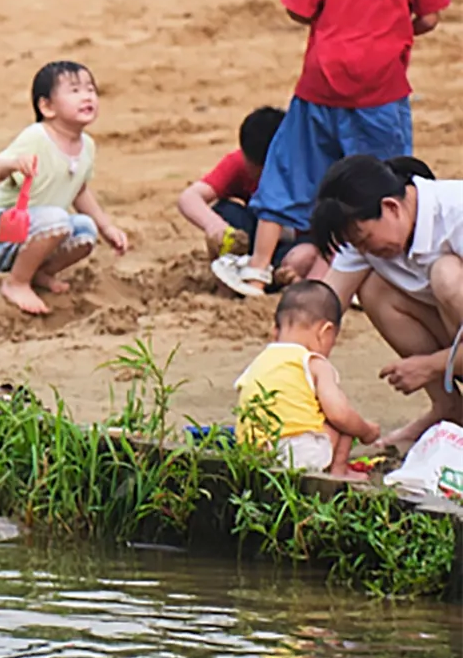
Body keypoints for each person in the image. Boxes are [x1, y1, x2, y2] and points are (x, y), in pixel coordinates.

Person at [216, 0, 448, 297]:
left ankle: (258, 267)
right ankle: (382, 274)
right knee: (384, 180)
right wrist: (401, 28)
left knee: (289, 172)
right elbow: (430, 15)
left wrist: (332, 18)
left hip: (320, 85)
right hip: (381, 91)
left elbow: (297, 8)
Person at [306, 153, 463, 454]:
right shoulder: (366, 237)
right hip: (454, 340)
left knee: (446, 274)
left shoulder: (457, 211)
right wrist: (287, 362)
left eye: (365, 240)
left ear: (391, 207)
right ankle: (451, 408)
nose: (366, 250)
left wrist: (431, 366)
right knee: (373, 287)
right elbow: (324, 306)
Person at [0, 59, 131, 318]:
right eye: (75, 91)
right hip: (7, 229)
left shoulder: (87, 145)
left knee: (86, 230)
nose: (87, 96)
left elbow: (80, 190)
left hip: (45, 228)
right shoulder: (37, 137)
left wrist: (106, 227)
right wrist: (13, 164)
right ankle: (16, 282)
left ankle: (40, 272)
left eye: (91, 89)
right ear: (47, 106)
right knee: (58, 219)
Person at [233, 279, 377, 476]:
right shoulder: (313, 362)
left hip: (253, 453)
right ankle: (339, 471)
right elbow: (339, 413)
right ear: (325, 333)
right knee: (345, 424)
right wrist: (366, 431)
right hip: (298, 453)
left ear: (275, 331)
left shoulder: (259, 362)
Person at [176, 105, 288, 262]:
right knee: (225, 211)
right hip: (253, 238)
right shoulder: (240, 163)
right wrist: (214, 225)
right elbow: (189, 197)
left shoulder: (305, 173)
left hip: (291, 243)